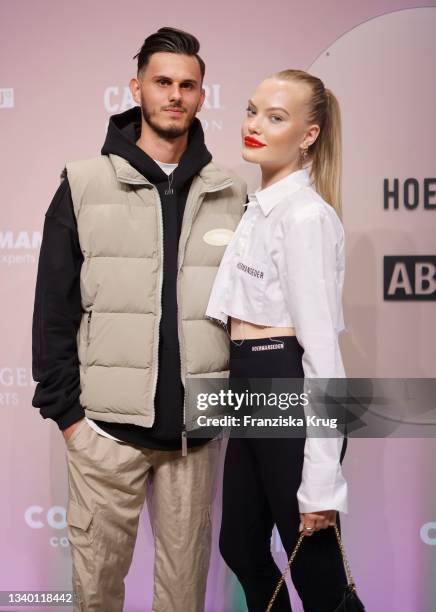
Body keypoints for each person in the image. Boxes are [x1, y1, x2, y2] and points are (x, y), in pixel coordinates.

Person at [32, 27, 246, 612]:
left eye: (188, 85)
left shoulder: (233, 192)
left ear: (202, 95)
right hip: (105, 434)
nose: (175, 95)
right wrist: (72, 419)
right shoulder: (83, 184)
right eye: (162, 82)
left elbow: (248, 315)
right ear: (137, 88)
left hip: (193, 443)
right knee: (96, 597)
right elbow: (53, 311)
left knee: (183, 602)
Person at [206, 69, 349, 611]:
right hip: (251, 382)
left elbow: (323, 354)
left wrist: (321, 481)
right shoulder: (260, 208)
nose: (254, 126)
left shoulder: (305, 216)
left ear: (308, 135)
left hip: (285, 381)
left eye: (275, 117)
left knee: (313, 563)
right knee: (240, 544)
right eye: (251, 111)